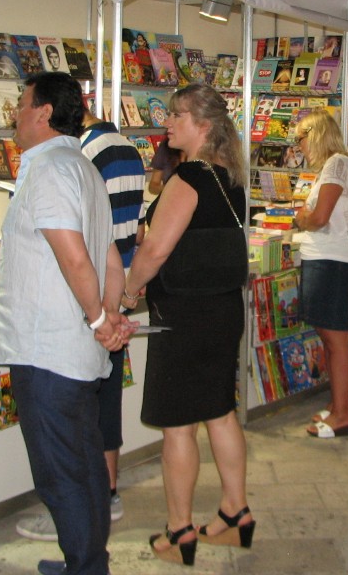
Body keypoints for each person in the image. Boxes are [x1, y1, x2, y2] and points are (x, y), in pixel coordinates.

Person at [0, 72, 137, 575]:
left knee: (61, 473)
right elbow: (110, 258)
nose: (15, 115)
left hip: (48, 351)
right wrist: (108, 315)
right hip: (73, 350)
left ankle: (86, 568)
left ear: (44, 112)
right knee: (85, 463)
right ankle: (89, 561)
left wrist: (99, 319)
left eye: (21, 104)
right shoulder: (83, 167)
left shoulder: (50, 170)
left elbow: (75, 256)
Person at [120, 83, 253, 566]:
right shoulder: (230, 178)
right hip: (222, 309)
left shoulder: (188, 178)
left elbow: (156, 250)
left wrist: (128, 292)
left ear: (204, 125)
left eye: (177, 115)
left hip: (182, 314)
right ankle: (235, 514)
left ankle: (180, 532)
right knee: (219, 412)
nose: (168, 123)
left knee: (178, 426)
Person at [15, 108, 146, 542]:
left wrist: (98, 317)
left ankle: (83, 545)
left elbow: (78, 250)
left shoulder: (67, 162)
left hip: (79, 313)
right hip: (106, 299)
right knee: (96, 423)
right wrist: (114, 305)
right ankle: (98, 520)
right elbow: (119, 240)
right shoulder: (121, 150)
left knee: (69, 445)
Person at [293, 109, 348, 438]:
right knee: (330, 338)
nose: (299, 146)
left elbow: (319, 217)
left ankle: (343, 414)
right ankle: (337, 406)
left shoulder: (336, 164)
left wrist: (302, 218)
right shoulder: (332, 167)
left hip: (332, 263)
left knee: (336, 341)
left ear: (315, 135)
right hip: (325, 260)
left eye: (300, 138)